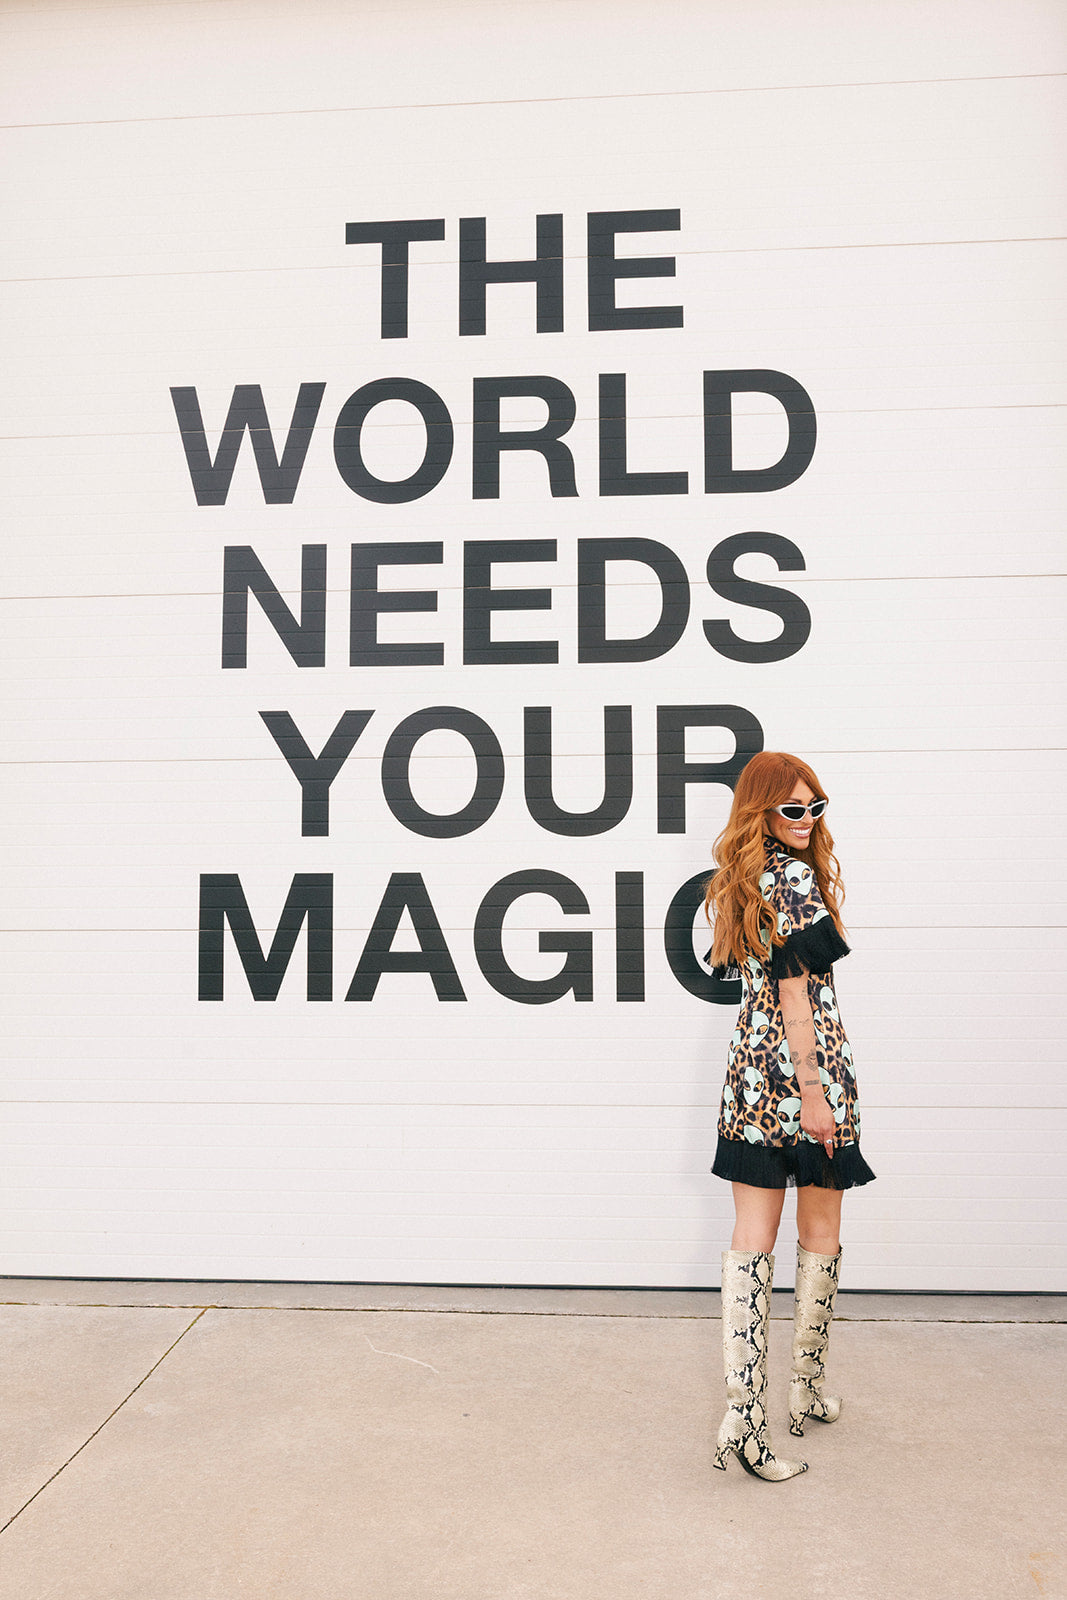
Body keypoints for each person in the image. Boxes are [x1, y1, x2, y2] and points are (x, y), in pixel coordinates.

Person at [704, 751, 876, 1480]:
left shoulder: (743, 881)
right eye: (791, 810)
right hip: (802, 1075)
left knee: (751, 1238)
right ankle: (774, 1408)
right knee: (819, 1229)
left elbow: (760, 987)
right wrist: (813, 1092)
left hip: (748, 1072)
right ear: (761, 814)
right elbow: (797, 999)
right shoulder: (795, 879)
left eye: (815, 807)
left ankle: (766, 1408)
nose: (806, 822)